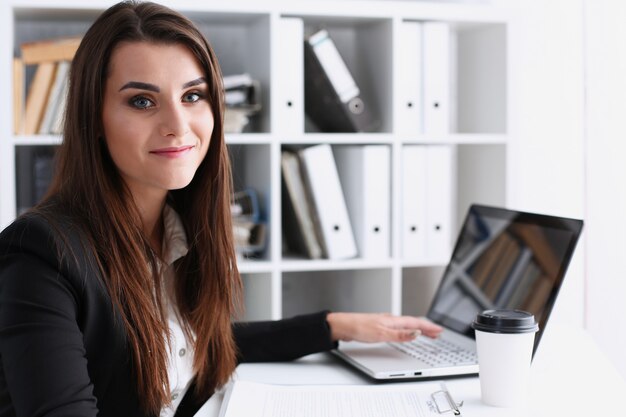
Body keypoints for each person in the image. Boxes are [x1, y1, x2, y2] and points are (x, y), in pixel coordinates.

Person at [0, 2, 442, 417]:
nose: (178, 126)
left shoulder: (177, 226)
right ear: (93, 118)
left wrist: (331, 325)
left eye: (193, 96)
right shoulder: (41, 255)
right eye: (142, 101)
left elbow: (191, 345)